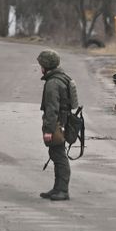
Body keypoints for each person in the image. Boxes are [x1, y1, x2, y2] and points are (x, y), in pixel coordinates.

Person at [38, 49, 72, 201]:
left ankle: (62, 190)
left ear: (46, 65)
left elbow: (52, 109)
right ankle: (57, 188)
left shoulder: (53, 83)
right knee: (56, 154)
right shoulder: (61, 77)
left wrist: (49, 130)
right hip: (62, 122)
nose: (40, 67)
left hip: (57, 124)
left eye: (41, 64)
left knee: (59, 156)